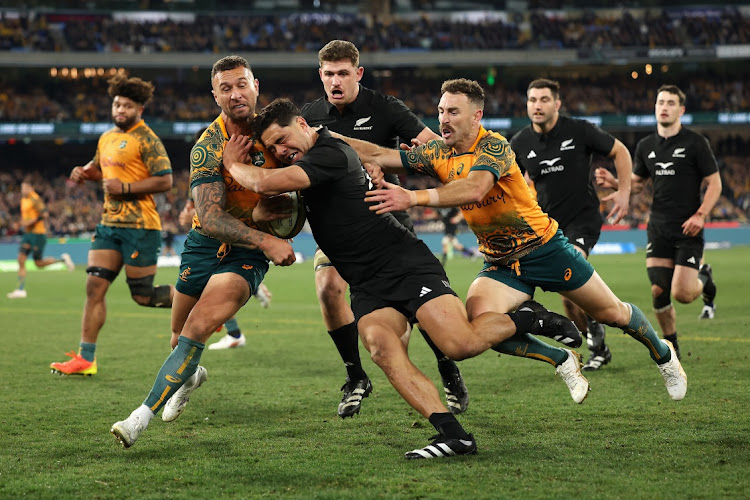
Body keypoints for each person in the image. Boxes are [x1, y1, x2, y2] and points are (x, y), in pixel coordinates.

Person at [216, 97, 583, 459]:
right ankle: (455, 437)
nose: (281, 150)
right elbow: (267, 206)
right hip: (365, 282)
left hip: (404, 264)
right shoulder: (307, 163)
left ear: (301, 124)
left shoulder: (329, 153)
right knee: (381, 348)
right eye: (274, 147)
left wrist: (233, 163)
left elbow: (264, 185)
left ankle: (529, 317)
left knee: (459, 345)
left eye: (283, 139)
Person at [354, 78, 687, 404]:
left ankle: (664, 355)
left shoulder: (494, 146)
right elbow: (380, 154)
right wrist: (320, 136)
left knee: (613, 314)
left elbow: (475, 188)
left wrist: (411, 197)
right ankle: (562, 359)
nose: (443, 119)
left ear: (476, 116)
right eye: (440, 111)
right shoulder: (437, 153)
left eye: (453, 112)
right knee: (481, 330)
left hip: (545, 250)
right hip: (501, 264)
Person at [110, 55, 296, 448]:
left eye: (241, 84)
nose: (235, 94)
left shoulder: (277, 133)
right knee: (179, 340)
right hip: (203, 245)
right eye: (225, 88)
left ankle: (137, 419)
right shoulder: (207, 146)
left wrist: (275, 223)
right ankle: (190, 376)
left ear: (256, 86)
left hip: (246, 252)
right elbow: (210, 219)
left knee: (197, 328)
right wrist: (269, 238)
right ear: (215, 95)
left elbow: (306, 175)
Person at [300, 40, 469, 417]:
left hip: (387, 217)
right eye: (328, 74)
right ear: (320, 76)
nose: (335, 81)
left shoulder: (386, 108)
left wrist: (388, 167)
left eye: (343, 73)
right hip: (338, 228)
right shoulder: (309, 115)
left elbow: (435, 151)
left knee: (421, 304)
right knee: (328, 289)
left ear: (358, 73)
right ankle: (355, 375)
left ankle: (446, 364)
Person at [50, 74, 175, 376]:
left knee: (143, 295)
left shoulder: (148, 140)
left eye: (127, 106)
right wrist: (83, 172)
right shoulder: (105, 138)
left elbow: (166, 180)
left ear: (139, 110)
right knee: (94, 286)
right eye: (117, 104)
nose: (120, 110)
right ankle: (86, 358)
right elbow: (100, 170)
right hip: (109, 224)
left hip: (141, 227)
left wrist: (126, 189)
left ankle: (199, 300)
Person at [510, 78, 633, 371]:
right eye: (532, 100)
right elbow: (505, 182)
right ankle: (599, 345)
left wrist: (624, 193)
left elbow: (621, 152)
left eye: (543, 99)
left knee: (571, 273)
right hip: (548, 227)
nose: (537, 105)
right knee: (570, 301)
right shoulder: (520, 143)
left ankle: (602, 334)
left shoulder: (579, 130)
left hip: (583, 220)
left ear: (557, 104)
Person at [595, 84, 721, 360]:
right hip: (659, 227)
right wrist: (617, 183)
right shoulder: (646, 146)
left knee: (684, 293)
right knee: (658, 290)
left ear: (681, 110)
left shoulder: (696, 143)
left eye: (670, 103)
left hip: (688, 227)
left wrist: (701, 215)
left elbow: (715, 183)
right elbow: (638, 184)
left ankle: (705, 278)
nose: (664, 107)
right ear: (655, 108)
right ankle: (671, 347)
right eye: (660, 102)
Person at [178, 195, 272, 351]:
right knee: (209, 289)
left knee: (207, 290)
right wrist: (190, 207)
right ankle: (235, 333)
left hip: (224, 227)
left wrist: (194, 212)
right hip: (217, 226)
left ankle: (235, 334)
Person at [7, 178, 74, 299]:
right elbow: (26, 217)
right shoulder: (24, 199)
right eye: (22, 188)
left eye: (24, 188)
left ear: (30, 188)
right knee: (21, 259)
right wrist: (19, 224)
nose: (22, 190)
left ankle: (62, 260)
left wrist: (31, 222)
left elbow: (44, 214)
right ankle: (20, 290)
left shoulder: (35, 198)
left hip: (38, 234)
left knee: (38, 263)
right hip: (28, 235)